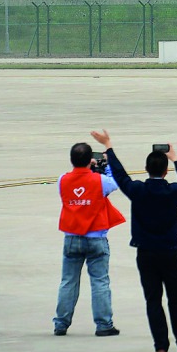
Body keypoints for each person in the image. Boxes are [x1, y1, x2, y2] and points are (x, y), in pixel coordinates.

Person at [93, 130, 177, 352]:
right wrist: (176, 159)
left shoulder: (138, 190)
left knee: (153, 300)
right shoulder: (172, 192)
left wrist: (108, 146)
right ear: (165, 171)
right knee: (176, 300)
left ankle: (160, 347)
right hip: (170, 252)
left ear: (147, 169)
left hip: (146, 253)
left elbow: (120, 176)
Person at [53, 140, 125, 338]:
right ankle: (103, 324)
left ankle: (61, 323)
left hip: (71, 236)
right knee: (100, 282)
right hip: (96, 237)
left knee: (68, 281)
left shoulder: (62, 180)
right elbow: (114, 183)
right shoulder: (99, 181)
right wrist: (106, 167)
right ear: (90, 160)